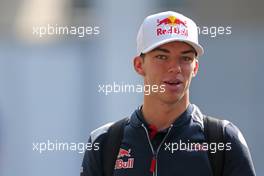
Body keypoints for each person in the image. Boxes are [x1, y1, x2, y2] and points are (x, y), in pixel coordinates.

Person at [81, 11, 256, 176]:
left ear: (195, 67)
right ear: (139, 65)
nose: (175, 68)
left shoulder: (224, 139)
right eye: (162, 57)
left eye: (185, 58)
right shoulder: (104, 142)